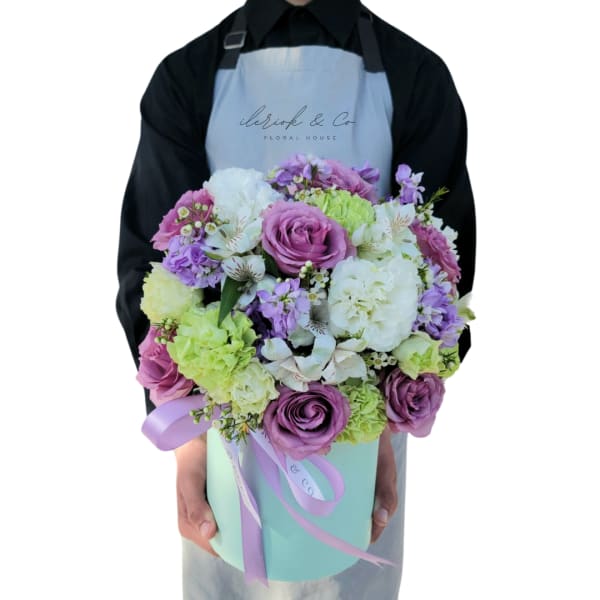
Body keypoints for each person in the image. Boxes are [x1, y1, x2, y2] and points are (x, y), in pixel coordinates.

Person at [116, 0, 476, 597]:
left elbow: (443, 274)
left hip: (359, 444)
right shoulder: (187, 76)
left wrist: (388, 421)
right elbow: (152, 271)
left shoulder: (415, 74)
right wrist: (187, 444)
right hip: (223, 444)